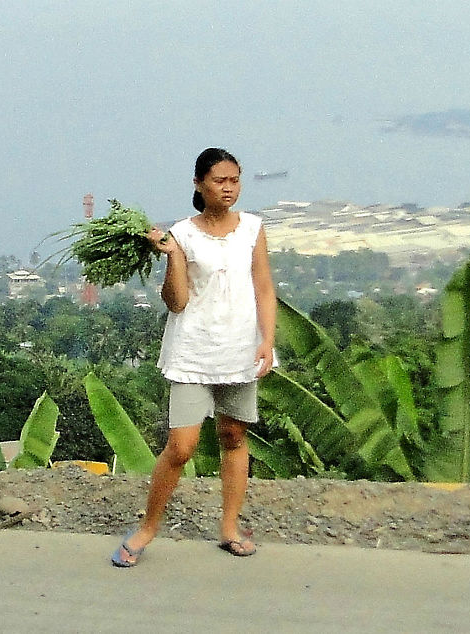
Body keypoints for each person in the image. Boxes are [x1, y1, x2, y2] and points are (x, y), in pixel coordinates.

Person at [111, 148, 277, 567]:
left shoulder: (253, 229)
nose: (228, 188)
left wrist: (267, 341)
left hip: (239, 350)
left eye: (235, 180)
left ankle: (229, 528)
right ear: (199, 184)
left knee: (234, 437)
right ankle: (147, 528)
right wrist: (171, 257)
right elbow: (177, 302)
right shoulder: (181, 234)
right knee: (181, 447)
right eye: (220, 180)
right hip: (192, 352)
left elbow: (264, 289)